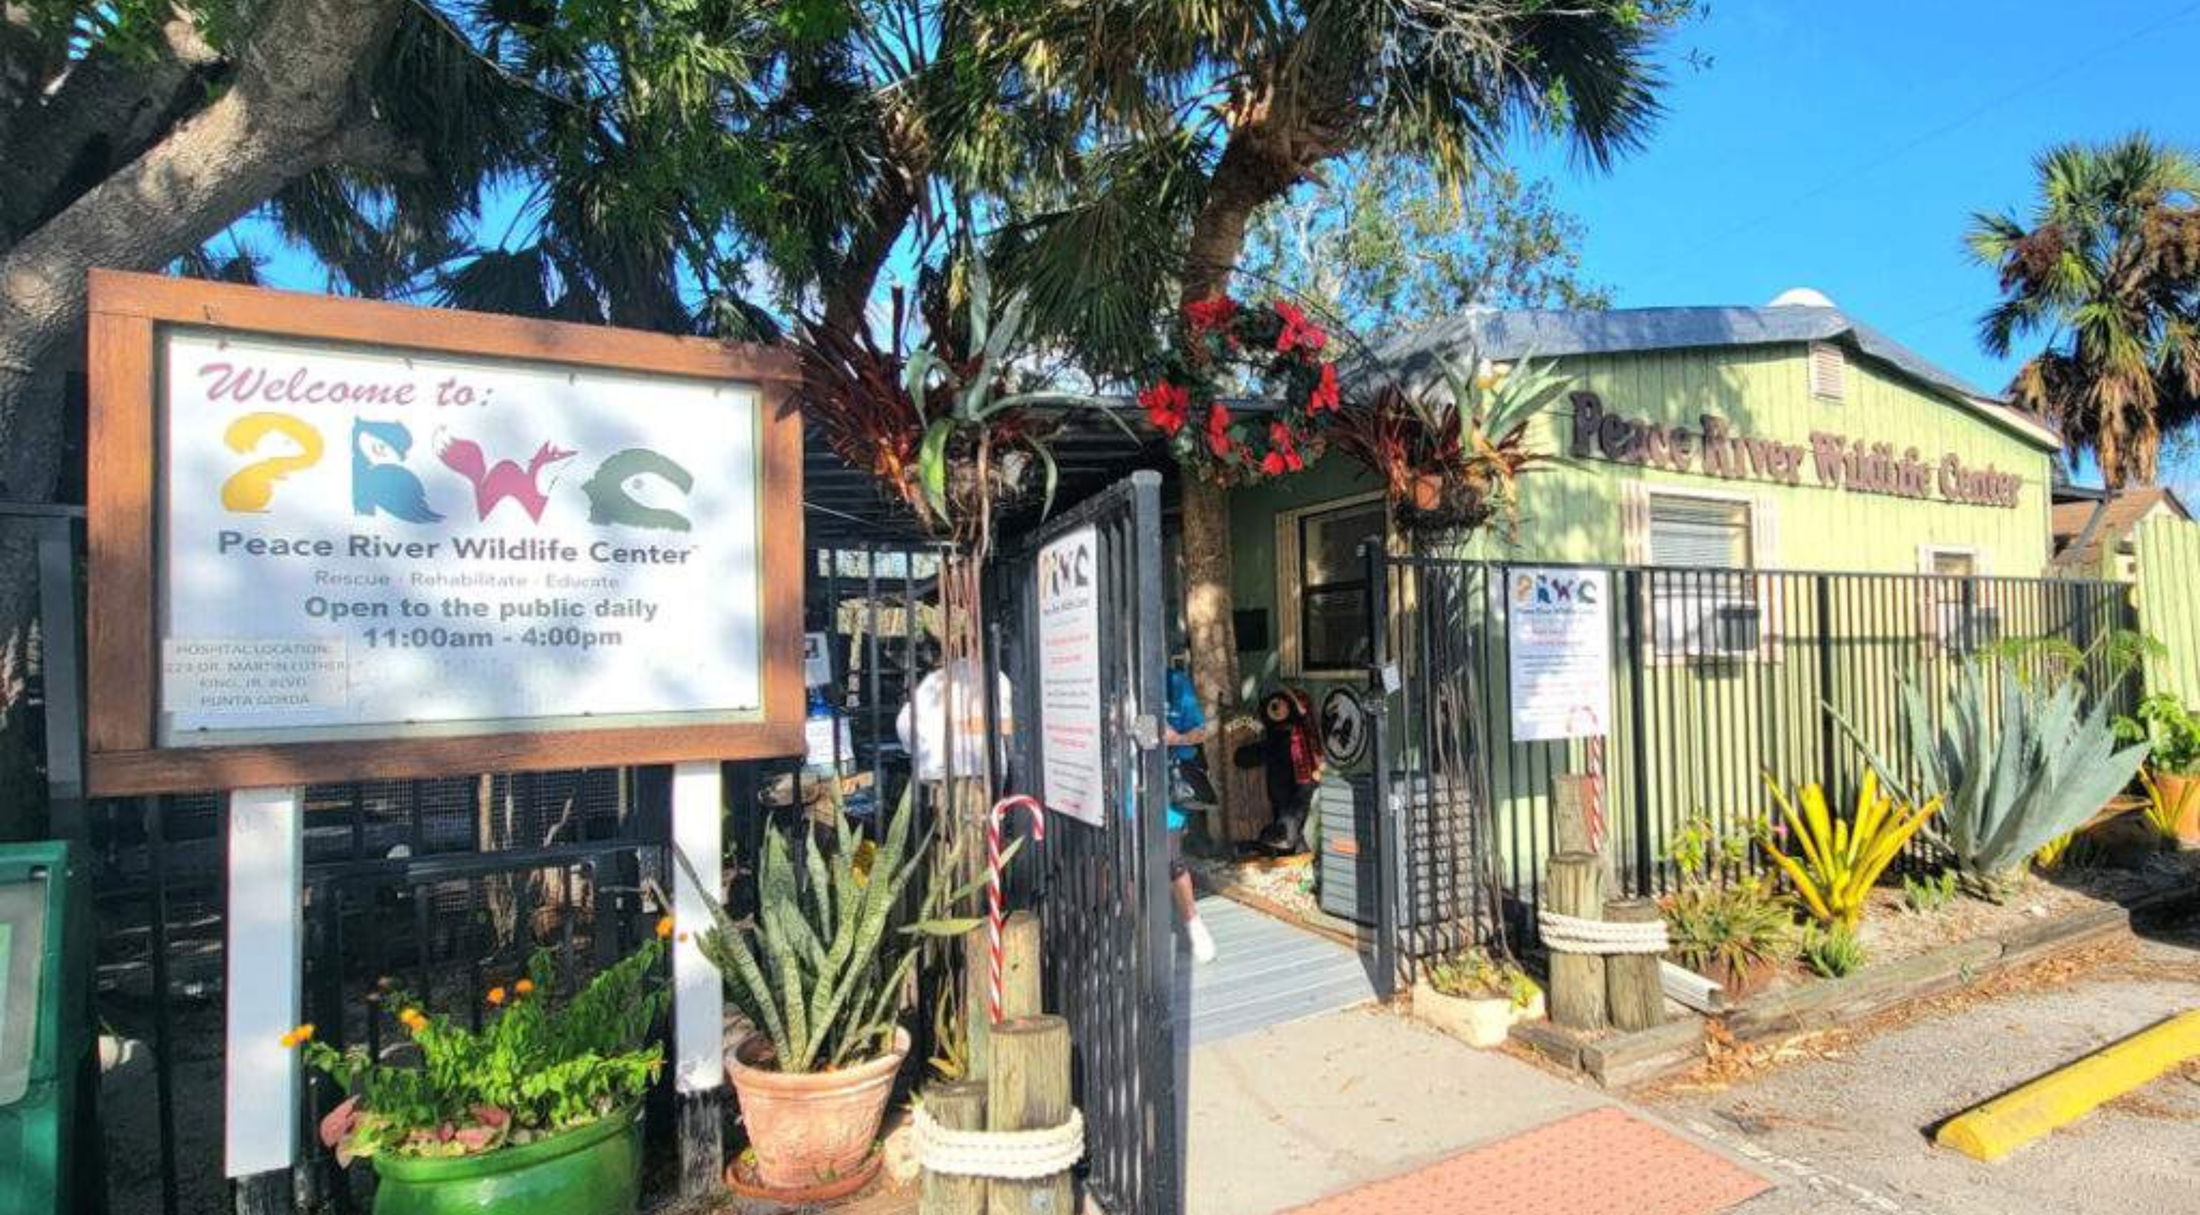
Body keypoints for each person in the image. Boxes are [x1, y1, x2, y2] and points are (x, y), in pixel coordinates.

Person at [1163, 661, 1218, 963]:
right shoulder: (1114, 679)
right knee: (1126, 863)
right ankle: (1135, 929)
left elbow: (1200, 731)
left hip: (1167, 786)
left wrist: (1176, 739)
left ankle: (1193, 924)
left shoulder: (1174, 682)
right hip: (1126, 786)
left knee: (1171, 859)